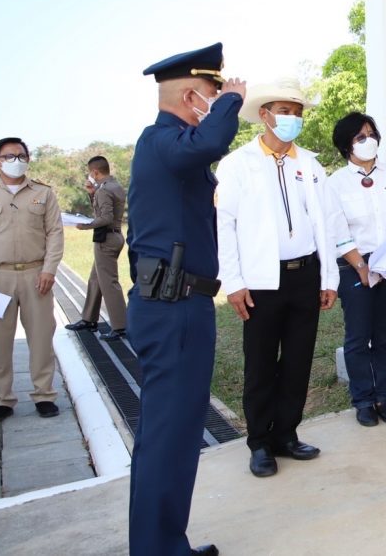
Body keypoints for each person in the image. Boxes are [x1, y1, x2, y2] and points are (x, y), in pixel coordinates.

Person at [127, 42, 244, 556]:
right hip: (171, 306)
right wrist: (231, 102)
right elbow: (210, 141)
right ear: (192, 96)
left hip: (180, 303)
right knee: (168, 437)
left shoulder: (173, 150)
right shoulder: (161, 141)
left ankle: (163, 543)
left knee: (173, 437)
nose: (217, 103)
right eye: (212, 94)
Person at [216, 78, 341, 478]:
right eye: (284, 111)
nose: (292, 119)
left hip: (305, 275)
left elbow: (326, 223)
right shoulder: (238, 163)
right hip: (261, 282)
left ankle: (286, 434)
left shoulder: (311, 164)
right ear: (264, 115)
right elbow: (224, 225)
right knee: (260, 364)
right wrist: (233, 282)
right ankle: (259, 442)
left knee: (298, 361)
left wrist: (329, 278)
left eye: (297, 112)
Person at [326, 112, 386, 427]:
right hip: (354, 266)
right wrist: (361, 266)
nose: (369, 141)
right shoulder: (335, 183)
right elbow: (338, 230)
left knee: (384, 335)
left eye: (372, 134)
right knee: (358, 336)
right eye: (360, 137)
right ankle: (363, 400)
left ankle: (384, 397)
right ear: (346, 145)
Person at [0, 137, 64, 425]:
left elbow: (55, 232)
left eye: (21, 156)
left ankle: (44, 396)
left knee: (41, 338)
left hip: (36, 276)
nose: (16, 161)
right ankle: (1, 400)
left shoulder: (43, 193)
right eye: (9, 156)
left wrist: (49, 270)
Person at [65, 155, 128, 340]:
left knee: (109, 282)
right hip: (115, 235)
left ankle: (120, 326)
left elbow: (105, 217)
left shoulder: (104, 190)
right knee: (96, 279)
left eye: (90, 173)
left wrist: (85, 225)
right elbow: (105, 210)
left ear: (94, 172)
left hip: (106, 238)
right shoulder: (115, 186)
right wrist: (92, 193)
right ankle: (89, 319)